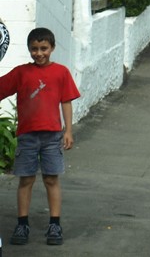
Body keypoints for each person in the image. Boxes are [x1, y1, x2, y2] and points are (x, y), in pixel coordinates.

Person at [0, 27, 80, 246]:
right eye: (34, 49)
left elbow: (66, 102)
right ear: (29, 49)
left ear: (52, 48)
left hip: (52, 137)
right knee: (26, 180)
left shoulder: (61, 72)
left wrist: (68, 130)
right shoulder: (20, 73)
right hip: (27, 137)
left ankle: (55, 224)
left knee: (51, 179)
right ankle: (22, 224)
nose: (39, 53)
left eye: (44, 48)